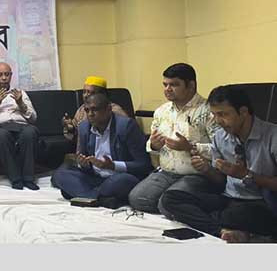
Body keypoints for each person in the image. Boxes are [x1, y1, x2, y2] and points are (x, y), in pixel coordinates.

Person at [160, 85, 277, 243]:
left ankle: (218, 224)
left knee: (234, 215)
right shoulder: (220, 137)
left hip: (262, 202)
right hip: (229, 198)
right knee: (170, 199)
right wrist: (207, 169)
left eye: (223, 114)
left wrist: (246, 175)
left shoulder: (272, 136)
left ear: (243, 112)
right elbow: (221, 181)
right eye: (214, 115)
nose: (217, 121)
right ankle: (223, 230)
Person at [128, 63, 217, 214]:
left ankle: (173, 205)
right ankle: (175, 207)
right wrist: (154, 145)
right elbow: (151, 147)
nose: (167, 89)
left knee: (167, 203)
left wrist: (190, 147)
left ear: (191, 85)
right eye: (165, 85)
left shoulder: (209, 111)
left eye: (174, 85)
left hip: (196, 175)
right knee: (137, 198)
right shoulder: (161, 111)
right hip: (166, 173)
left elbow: (222, 150)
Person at [51, 93, 152, 208]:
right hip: (95, 178)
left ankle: (83, 195)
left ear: (108, 109)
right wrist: (84, 164)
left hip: (119, 176)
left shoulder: (126, 126)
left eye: (95, 110)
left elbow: (144, 164)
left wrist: (113, 165)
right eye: (87, 110)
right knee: (61, 174)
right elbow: (86, 163)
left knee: (122, 181)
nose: (90, 114)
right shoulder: (84, 127)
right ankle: (100, 198)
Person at [0, 62, 39, 190]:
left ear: (11, 75)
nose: (4, 78)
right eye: (0, 75)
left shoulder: (20, 93)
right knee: (1, 136)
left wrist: (20, 103)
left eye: (7, 74)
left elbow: (33, 118)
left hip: (21, 125)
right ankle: (16, 178)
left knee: (30, 132)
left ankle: (28, 178)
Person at [62, 76, 128, 152]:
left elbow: (126, 134)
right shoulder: (81, 110)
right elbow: (76, 136)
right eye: (84, 92)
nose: (86, 95)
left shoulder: (114, 110)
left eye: (90, 92)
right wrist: (70, 128)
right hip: (86, 155)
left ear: (102, 94)